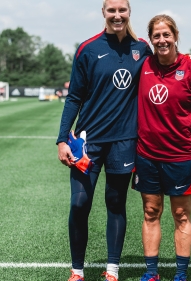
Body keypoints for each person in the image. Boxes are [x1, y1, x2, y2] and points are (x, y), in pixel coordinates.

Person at [56, 1, 152, 280]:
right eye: (112, 10)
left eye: (122, 10)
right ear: (104, 13)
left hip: (124, 141)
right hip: (88, 142)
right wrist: (62, 139)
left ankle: (112, 270)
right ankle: (77, 270)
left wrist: (189, 60)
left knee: (115, 201)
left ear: (129, 13)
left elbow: (167, 62)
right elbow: (74, 97)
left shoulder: (142, 48)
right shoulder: (88, 49)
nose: (117, 15)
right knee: (79, 202)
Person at [134, 14, 191, 281]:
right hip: (146, 154)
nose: (161, 40)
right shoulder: (143, 64)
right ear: (151, 40)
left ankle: (180, 275)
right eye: (156, 36)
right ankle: (151, 273)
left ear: (176, 36)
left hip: (181, 156)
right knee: (150, 212)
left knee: (181, 215)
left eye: (166, 35)